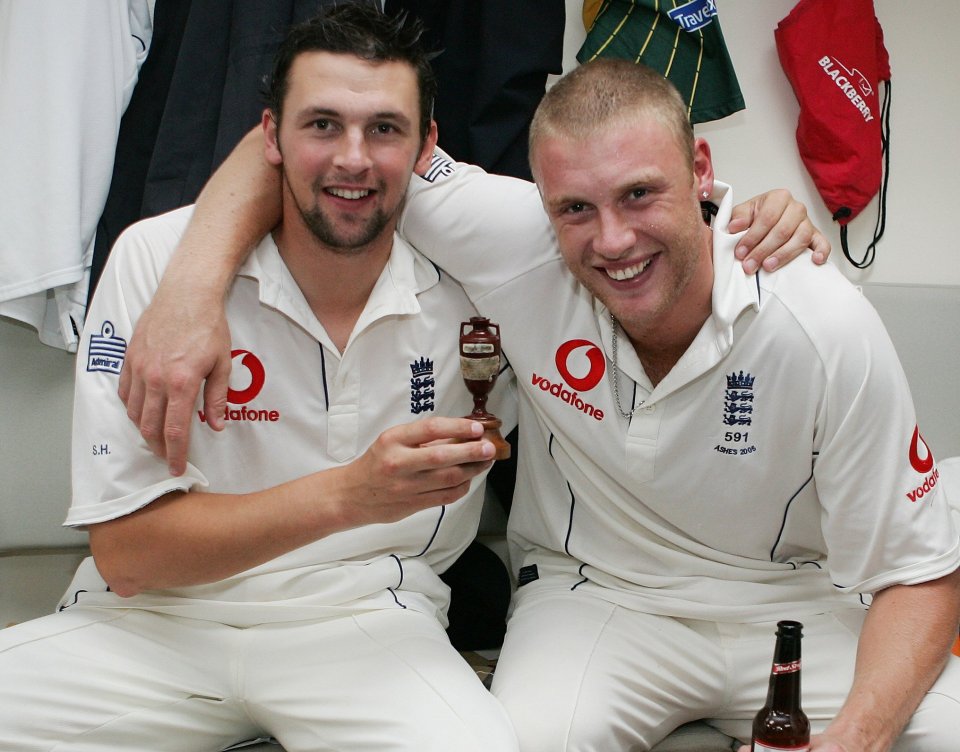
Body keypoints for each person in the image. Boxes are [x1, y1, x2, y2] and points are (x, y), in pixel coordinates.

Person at [119, 55, 960, 750]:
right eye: (575, 209)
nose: (613, 241)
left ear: (703, 171)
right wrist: (190, 284)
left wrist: (854, 741)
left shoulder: (823, 321)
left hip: (792, 603)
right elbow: (322, 161)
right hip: (597, 599)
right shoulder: (514, 235)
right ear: (541, 202)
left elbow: (921, 572)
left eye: (641, 194)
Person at [0, 7, 520, 751]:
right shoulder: (158, 260)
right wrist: (349, 493)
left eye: (384, 129)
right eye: (321, 125)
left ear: (426, 146)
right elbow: (127, 556)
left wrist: (747, 213)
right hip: (148, 627)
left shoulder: (482, 279)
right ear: (270, 136)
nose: (352, 158)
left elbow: (636, 215)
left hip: (369, 625)